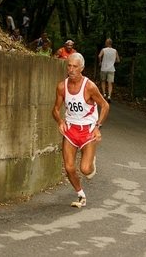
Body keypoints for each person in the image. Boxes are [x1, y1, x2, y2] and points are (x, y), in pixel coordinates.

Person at [52, 53, 109, 208]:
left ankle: (91, 162)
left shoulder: (89, 86)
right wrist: (60, 121)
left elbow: (105, 105)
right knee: (69, 167)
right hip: (70, 130)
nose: (71, 69)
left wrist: (98, 127)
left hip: (88, 131)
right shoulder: (62, 87)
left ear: (82, 68)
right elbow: (55, 109)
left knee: (85, 169)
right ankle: (80, 194)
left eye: (75, 66)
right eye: (69, 66)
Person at [98, 38, 120, 103]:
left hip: (104, 68)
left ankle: (104, 93)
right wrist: (113, 61)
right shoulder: (115, 51)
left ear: (107, 43)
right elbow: (118, 60)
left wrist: (100, 62)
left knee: (103, 81)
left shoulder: (104, 50)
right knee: (110, 83)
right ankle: (109, 95)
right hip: (111, 69)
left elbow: (99, 56)